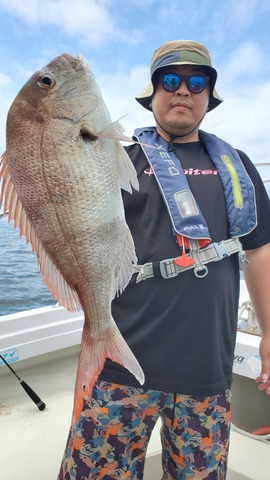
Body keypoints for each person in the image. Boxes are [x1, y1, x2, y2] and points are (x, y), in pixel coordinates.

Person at [59, 40, 270, 480]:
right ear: (152, 93)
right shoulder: (117, 159)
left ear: (209, 97)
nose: (183, 91)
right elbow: (68, 219)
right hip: (118, 368)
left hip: (207, 374)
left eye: (198, 83)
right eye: (170, 80)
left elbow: (260, 250)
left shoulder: (238, 167)